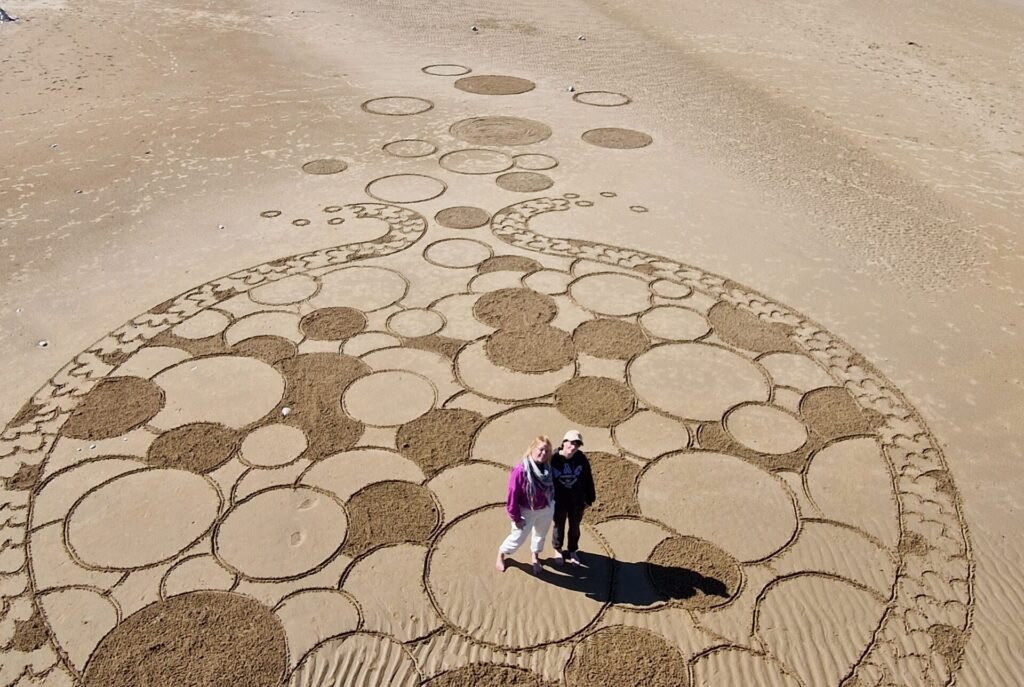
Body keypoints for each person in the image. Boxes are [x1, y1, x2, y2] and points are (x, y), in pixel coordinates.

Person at [496, 435, 555, 575]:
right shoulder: (521, 471)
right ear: (533, 449)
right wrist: (516, 518)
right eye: (541, 449)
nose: (543, 453)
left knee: (541, 535)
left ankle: (535, 556)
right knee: (517, 538)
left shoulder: (548, 468)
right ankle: (501, 553)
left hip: (546, 507)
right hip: (526, 510)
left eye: (547, 451)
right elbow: (512, 496)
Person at [550, 429, 595, 566]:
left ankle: (572, 550)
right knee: (559, 525)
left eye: (577, 444)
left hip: (576, 501)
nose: (573, 447)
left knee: (575, 527)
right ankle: (558, 549)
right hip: (558, 501)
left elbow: (588, 478)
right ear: (564, 442)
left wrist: (590, 498)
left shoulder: (581, 458)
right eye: (571, 443)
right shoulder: (552, 458)